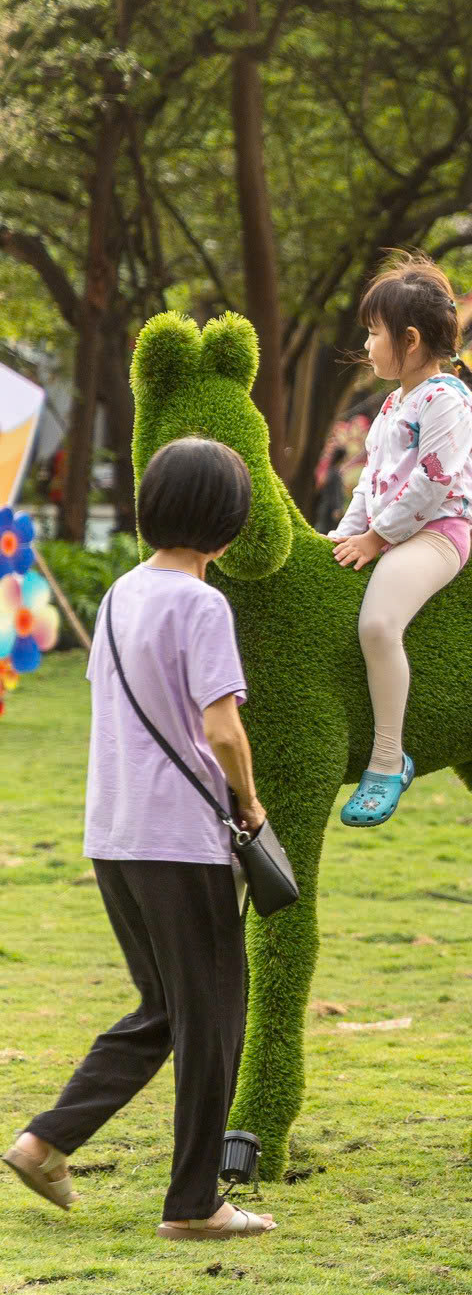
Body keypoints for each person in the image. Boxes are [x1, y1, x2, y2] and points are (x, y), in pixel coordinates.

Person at [4, 438, 276, 1239]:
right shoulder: (203, 603)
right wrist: (251, 804)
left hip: (115, 832)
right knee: (216, 1014)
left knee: (168, 1004)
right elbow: (223, 729)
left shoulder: (123, 592)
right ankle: (195, 1202)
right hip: (181, 838)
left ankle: (45, 1140)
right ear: (226, 524)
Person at [327, 252, 472, 828]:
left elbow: (430, 483)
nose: (367, 346)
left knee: (377, 624)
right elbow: (372, 483)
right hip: (391, 533)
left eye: (374, 333)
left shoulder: (448, 400)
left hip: (436, 534)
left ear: (411, 339)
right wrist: (345, 536)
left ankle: (387, 759)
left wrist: (374, 539)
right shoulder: (397, 402)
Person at [309, 441, 351, 535]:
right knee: (326, 531)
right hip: (330, 509)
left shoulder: (330, 471)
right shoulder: (335, 473)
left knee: (322, 528)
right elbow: (336, 493)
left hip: (324, 505)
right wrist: (337, 508)